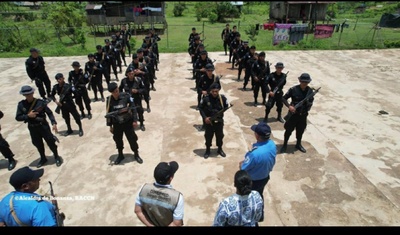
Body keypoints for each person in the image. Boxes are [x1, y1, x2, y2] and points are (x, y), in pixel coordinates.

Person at [15, 85, 62, 167]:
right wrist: (27, 116)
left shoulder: (40, 102)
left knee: (50, 142)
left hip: (43, 126)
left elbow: (49, 113)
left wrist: (53, 123)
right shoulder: (21, 105)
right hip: (33, 128)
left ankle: (56, 156)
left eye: (29, 94)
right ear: (23, 95)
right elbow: (18, 117)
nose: (28, 96)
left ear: (32, 93)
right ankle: (43, 158)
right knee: (38, 144)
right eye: (26, 94)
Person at [239, 122, 276, 222]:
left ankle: (250, 218)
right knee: (259, 196)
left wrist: (241, 164)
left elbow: (243, 168)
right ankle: (260, 215)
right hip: (265, 177)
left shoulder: (255, 154)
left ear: (257, 136)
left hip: (253, 181)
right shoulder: (272, 144)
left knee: (248, 199)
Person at [134, 161, 184, 227]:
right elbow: (176, 223)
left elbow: (138, 211)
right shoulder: (177, 197)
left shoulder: (143, 189)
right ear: (171, 178)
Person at [106, 82, 143, 165]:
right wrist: (110, 126)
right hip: (117, 124)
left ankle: (136, 154)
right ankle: (120, 154)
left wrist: (135, 120)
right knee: (118, 140)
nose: (116, 93)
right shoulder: (109, 100)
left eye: (117, 91)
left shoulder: (126, 96)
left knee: (132, 139)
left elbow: (133, 108)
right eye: (114, 92)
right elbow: (108, 114)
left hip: (127, 123)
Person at [280, 73, 315, 154]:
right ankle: (285, 144)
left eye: (306, 82)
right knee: (288, 130)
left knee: (300, 130)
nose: (304, 83)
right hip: (293, 115)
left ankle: (298, 144)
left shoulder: (310, 91)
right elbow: (283, 98)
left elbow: (311, 102)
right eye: (303, 82)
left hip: (303, 115)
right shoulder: (293, 89)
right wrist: (289, 106)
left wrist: (308, 104)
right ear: (300, 81)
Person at [199, 82, 229, 159]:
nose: (215, 93)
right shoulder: (206, 99)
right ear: (211, 91)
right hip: (209, 122)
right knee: (208, 136)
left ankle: (219, 149)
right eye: (213, 91)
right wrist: (205, 118)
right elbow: (201, 108)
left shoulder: (222, 99)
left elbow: (226, 107)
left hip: (219, 122)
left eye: (216, 91)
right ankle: (208, 150)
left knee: (220, 136)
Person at [50, 73, 84, 137]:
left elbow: (77, 93)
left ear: (63, 78)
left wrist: (72, 97)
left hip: (70, 104)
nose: (59, 80)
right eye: (58, 79)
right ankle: (69, 129)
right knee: (66, 118)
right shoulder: (55, 87)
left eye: (60, 79)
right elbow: (51, 95)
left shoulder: (69, 86)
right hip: (62, 105)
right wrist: (56, 102)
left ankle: (80, 128)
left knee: (76, 117)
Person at [119, 67, 147, 131]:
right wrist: (123, 95)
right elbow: (120, 89)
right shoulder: (124, 81)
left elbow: (144, 89)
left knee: (139, 111)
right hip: (128, 100)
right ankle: (132, 124)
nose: (131, 75)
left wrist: (137, 91)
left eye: (132, 73)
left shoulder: (138, 80)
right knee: (129, 113)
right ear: (127, 74)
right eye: (129, 74)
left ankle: (141, 124)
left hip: (137, 99)